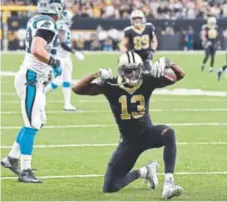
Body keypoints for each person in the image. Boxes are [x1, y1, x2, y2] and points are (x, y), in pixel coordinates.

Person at [72, 51, 185, 199]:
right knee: (110, 187)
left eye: (135, 70)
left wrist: (167, 62)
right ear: (121, 71)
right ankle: (145, 171)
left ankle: (169, 183)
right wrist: (96, 74)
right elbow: (77, 89)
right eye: (128, 71)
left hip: (147, 133)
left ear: (141, 69)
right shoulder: (110, 84)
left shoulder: (147, 79)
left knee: (168, 133)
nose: (132, 74)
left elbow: (179, 75)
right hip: (128, 141)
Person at [1, 0, 64, 183]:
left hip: (34, 77)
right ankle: (25, 170)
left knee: (38, 121)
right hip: (31, 78)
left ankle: (12, 158)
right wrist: (54, 62)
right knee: (32, 124)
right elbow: (37, 49)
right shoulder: (47, 22)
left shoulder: (36, 19)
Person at [44, 10, 85, 111]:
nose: (71, 21)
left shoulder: (65, 26)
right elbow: (62, 43)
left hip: (65, 56)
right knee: (58, 81)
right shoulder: (61, 26)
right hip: (59, 56)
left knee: (67, 80)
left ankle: (67, 104)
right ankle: (40, 94)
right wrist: (74, 52)